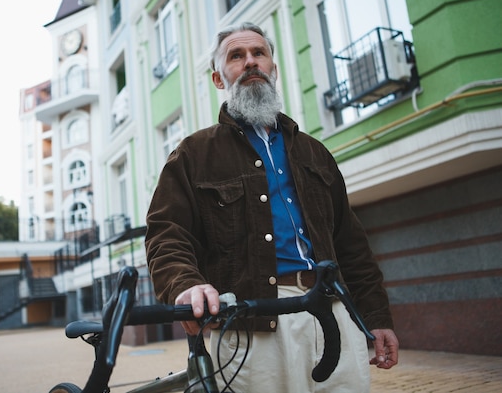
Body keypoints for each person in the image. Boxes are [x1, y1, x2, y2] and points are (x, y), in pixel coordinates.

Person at [145, 22, 399, 392]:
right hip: (253, 324)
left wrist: (376, 317)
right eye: (236, 56)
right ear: (219, 78)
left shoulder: (315, 152)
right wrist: (185, 285)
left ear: (272, 69)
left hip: (334, 314)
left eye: (258, 53)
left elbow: (351, 244)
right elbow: (166, 235)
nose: (250, 62)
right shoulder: (193, 155)